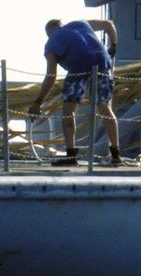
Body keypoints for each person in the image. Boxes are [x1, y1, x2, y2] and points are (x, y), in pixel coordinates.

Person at [27, 18, 122, 166]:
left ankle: (71, 156)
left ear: (49, 33)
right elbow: (108, 24)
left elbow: (51, 76)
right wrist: (113, 46)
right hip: (102, 62)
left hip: (78, 67)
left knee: (69, 111)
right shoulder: (81, 23)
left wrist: (38, 102)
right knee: (105, 107)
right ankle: (116, 155)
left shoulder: (51, 42)